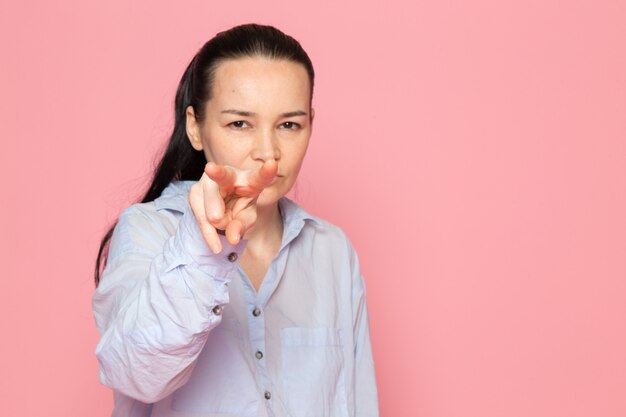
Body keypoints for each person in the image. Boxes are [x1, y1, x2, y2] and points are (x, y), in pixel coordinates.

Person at [92, 23, 379, 417]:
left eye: (289, 125)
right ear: (196, 126)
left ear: (311, 123)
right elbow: (136, 375)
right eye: (240, 124)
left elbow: (356, 401)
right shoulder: (148, 230)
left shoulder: (331, 249)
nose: (268, 153)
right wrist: (202, 245)